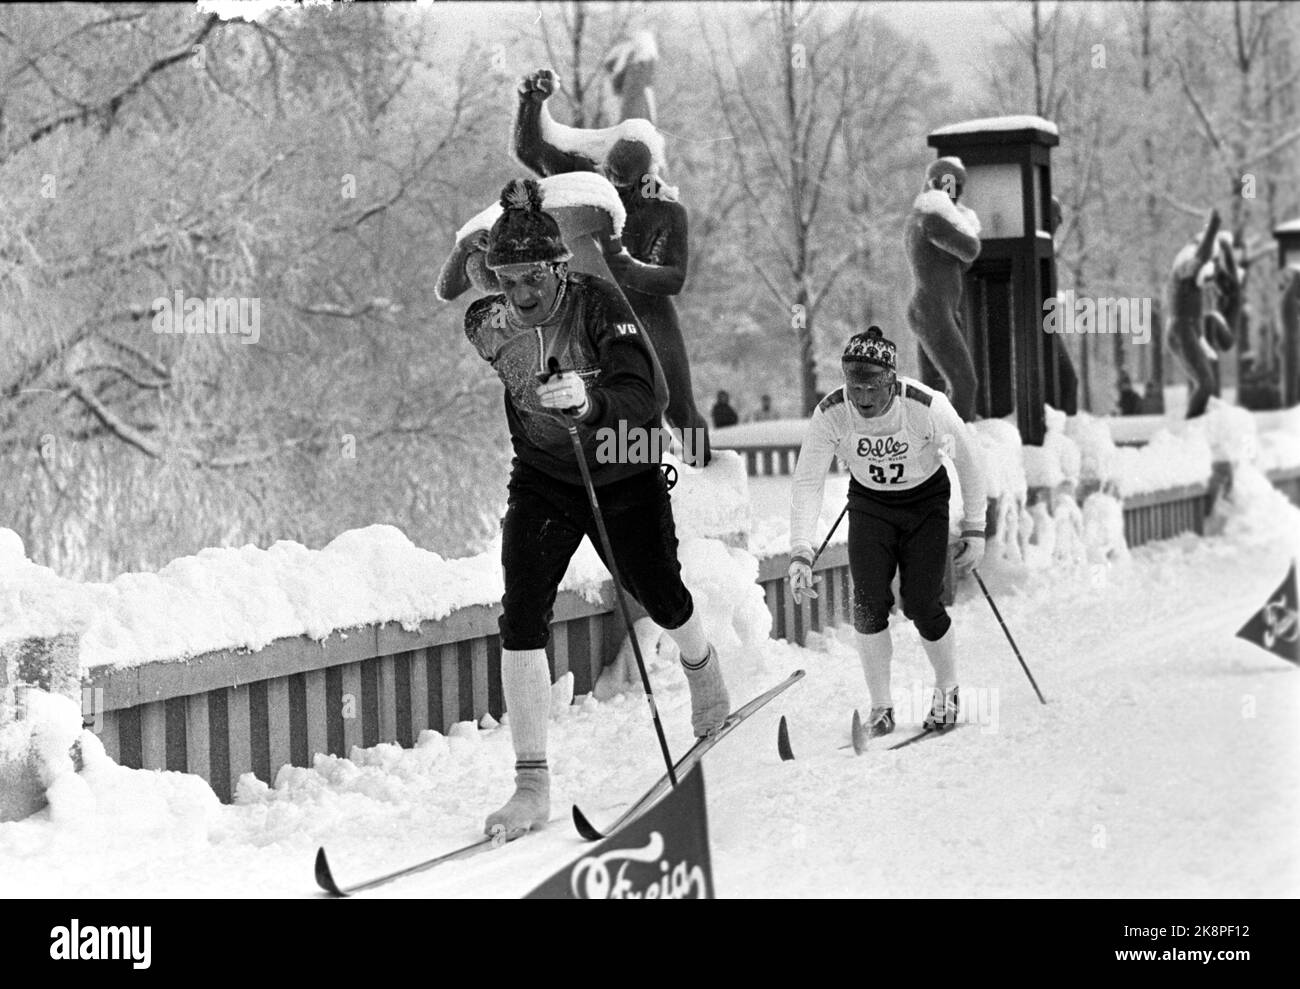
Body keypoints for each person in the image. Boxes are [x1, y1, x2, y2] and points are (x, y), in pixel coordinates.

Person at [461, 178, 730, 839]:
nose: (520, 294)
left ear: (557, 268)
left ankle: (704, 673)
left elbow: (646, 391)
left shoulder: (597, 304)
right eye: (507, 280)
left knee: (657, 591)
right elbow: (472, 291)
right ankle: (529, 784)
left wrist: (587, 401)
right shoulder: (496, 324)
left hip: (619, 463)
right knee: (521, 610)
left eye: (532, 279)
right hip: (546, 478)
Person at [786, 326, 988, 737]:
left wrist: (976, 527)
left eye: (872, 389)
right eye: (854, 387)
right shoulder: (831, 413)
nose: (861, 399)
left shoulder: (926, 406)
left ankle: (947, 690)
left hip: (925, 503)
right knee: (867, 603)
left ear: (891, 382)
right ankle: (881, 706)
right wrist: (800, 551)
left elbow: (969, 460)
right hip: (871, 505)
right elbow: (807, 481)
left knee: (921, 603)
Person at [514, 68, 712, 466]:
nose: (618, 191)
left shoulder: (668, 210)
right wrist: (530, 104)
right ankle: (615, 473)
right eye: (613, 180)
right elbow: (531, 151)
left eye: (628, 185)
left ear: (648, 178)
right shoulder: (591, 180)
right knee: (602, 399)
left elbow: (675, 278)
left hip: (651, 311)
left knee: (678, 406)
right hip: (600, 311)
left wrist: (626, 266)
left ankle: (706, 475)